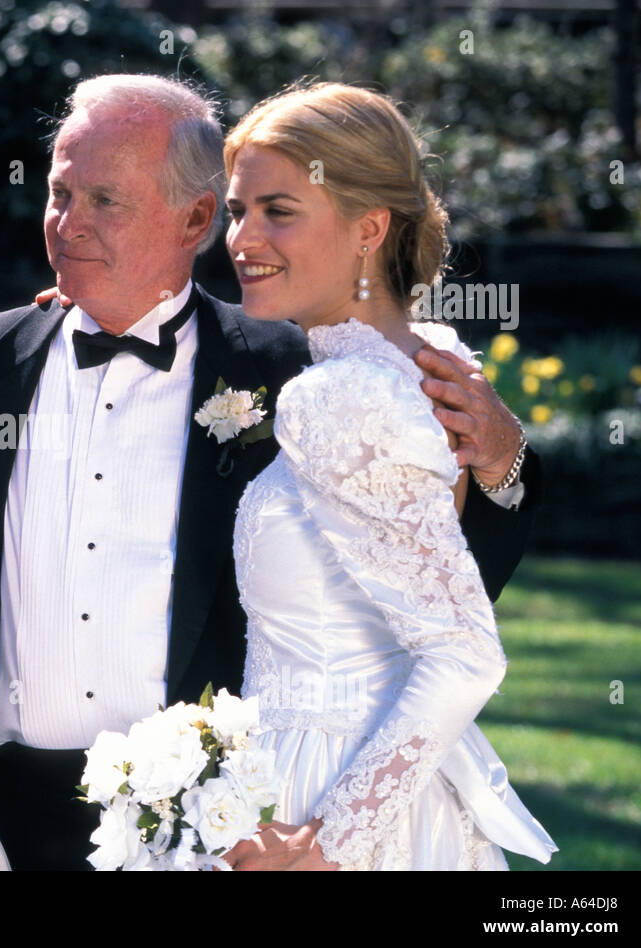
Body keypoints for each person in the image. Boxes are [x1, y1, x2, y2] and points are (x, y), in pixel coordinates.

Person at [0, 74, 543, 870]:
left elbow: (448, 597)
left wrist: (505, 461)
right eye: (60, 193)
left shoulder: (294, 366)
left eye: (105, 200)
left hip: (220, 818)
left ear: (190, 216)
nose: (66, 223)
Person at [219, 82, 556, 869]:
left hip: (324, 799)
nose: (243, 237)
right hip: (381, 793)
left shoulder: (338, 396)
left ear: (370, 226)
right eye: (237, 210)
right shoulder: (425, 361)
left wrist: (328, 842)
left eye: (279, 210)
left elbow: (465, 652)